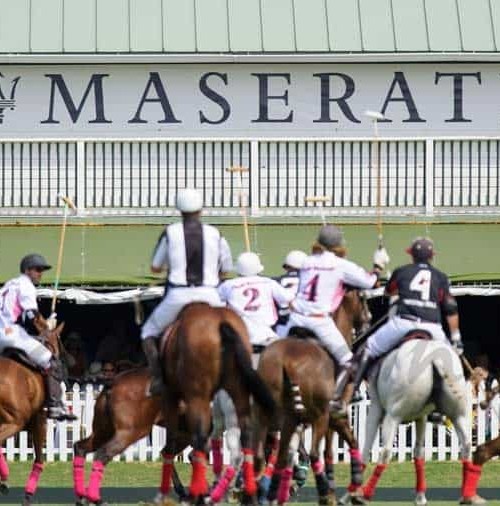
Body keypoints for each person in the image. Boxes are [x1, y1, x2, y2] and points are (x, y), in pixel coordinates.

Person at [332, 237, 464, 416]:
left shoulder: (402, 271)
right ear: (431, 257)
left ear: (412, 256)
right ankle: (442, 403)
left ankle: (353, 390)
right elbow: (450, 307)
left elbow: (388, 292)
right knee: (449, 359)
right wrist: (456, 338)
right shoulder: (440, 277)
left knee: (368, 347)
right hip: (432, 326)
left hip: (404, 323)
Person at [278, 225, 388, 404]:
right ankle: (338, 398)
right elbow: (370, 282)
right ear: (340, 245)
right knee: (349, 362)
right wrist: (378, 265)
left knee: (270, 351)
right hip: (319, 322)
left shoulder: (306, 262)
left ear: (318, 242)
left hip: (295, 318)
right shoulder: (341, 265)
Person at [141, 188, 233, 396]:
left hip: (178, 295)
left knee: (147, 332)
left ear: (179, 210)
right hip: (210, 294)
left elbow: (155, 267)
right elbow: (226, 268)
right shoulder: (215, 233)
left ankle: (157, 378)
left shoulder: (171, 232)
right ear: (201, 210)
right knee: (233, 331)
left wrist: (170, 266)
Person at [0, 254, 76, 421]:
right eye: (37, 270)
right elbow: (33, 315)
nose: (40, 273)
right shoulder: (26, 285)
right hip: (11, 334)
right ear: (27, 270)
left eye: (42, 270)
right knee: (51, 361)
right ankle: (56, 405)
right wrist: (47, 325)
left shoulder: (9, 285)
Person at [218, 251, 293, 356]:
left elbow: (216, 302)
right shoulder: (268, 282)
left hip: (239, 336)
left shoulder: (228, 285)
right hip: (266, 335)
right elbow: (287, 298)